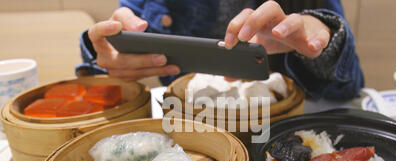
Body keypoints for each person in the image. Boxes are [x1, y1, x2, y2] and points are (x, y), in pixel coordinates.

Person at [76, 0, 364, 100]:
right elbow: (119, 36)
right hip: (186, 129)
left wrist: (324, 38)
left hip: (278, 128)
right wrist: (105, 55)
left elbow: (348, 88)